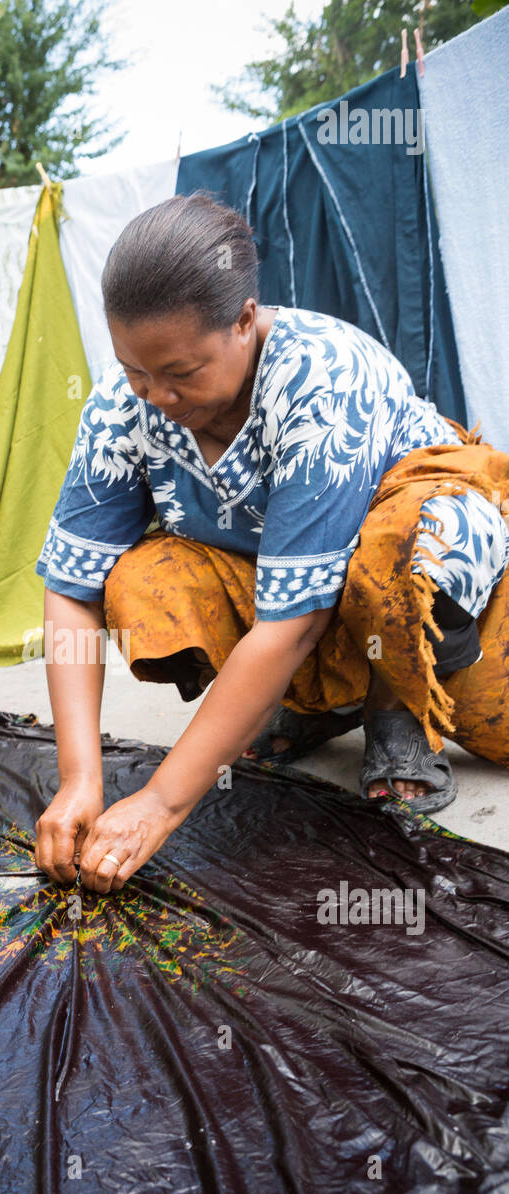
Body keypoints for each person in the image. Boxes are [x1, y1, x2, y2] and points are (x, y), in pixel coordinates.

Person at [33, 194, 509, 894]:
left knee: (407, 554)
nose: (155, 395)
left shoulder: (322, 379)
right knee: (141, 580)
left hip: (414, 570)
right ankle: (323, 704)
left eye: (182, 372)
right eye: (135, 369)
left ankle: (395, 707)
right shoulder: (122, 403)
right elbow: (72, 590)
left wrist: (162, 805)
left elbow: (291, 626)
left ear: (244, 321)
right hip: (293, 579)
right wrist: (79, 779)